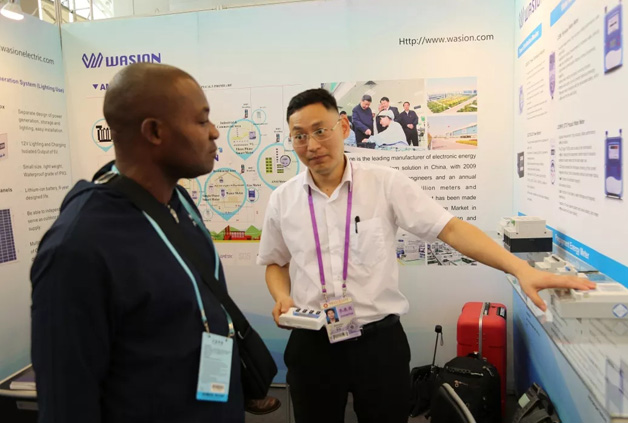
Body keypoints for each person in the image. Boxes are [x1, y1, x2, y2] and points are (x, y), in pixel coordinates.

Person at [256, 88, 595, 423]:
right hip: (312, 344)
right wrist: (282, 296)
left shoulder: (384, 184)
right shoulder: (283, 200)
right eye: (299, 136)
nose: (312, 145)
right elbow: (275, 261)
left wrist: (520, 268)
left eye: (320, 131)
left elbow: (450, 229)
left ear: (343, 127)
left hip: (378, 345)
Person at [31, 63, 246, 423]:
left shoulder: (179, 203)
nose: (214, 132)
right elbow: (66, 402)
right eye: (201, 120)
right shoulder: (77, 247)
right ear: (154, 131)